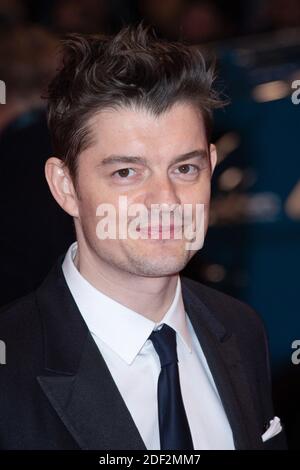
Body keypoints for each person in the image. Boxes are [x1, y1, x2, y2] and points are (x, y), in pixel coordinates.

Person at [0, 24, 286, 450]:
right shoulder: (11, 368)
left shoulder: (242, 330)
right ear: (65, 187)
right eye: (126, 173)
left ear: (210, 164)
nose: (166, 200)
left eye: (185, 168)